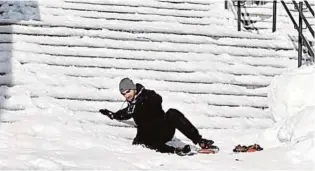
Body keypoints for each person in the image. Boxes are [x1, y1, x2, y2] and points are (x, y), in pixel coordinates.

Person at [99, 77, 217, 155]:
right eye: (123, 94)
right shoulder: (132, 106)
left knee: (172, 113)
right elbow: (124, 114)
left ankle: (200, 141)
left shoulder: (147, 95)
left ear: (134, 89)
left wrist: (142, 101)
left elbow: (157, 99)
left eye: (128, 92)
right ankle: (176, 150)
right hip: (150, 136)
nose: (126, 96)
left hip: (163, 129)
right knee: (142, 139)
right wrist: (112, 115)